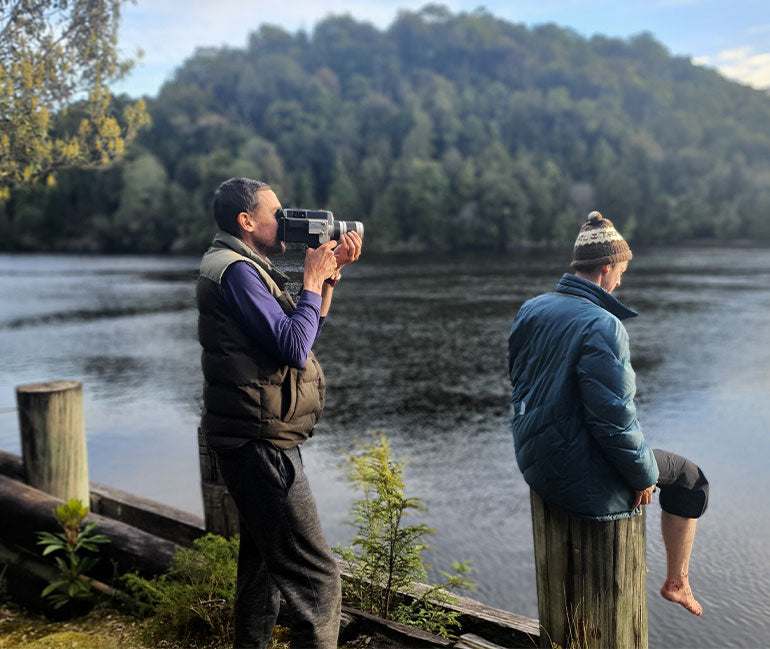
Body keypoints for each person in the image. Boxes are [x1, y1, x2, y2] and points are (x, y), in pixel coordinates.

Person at [507, 211, 708, 616]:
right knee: (690, 478)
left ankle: (675, 579)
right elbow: (613, 419)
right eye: (621, 271)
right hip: (580, 472)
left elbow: (521, 380)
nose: (621, 281)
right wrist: (642, 477)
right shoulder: (603, 325)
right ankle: (677, 582)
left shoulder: (532, 308)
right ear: (604, 269)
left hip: (537, 457)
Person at [196, 177, 363, 648]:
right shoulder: (237, 272)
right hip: (261, 443)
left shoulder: (243, 266)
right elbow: (293, 348)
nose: (286, 219)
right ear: (247, 221)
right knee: (318, 582)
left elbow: (304, 336)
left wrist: (326, 281)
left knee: (263, 571)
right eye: (277, 212)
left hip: (252, 438)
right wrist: (309, 279)